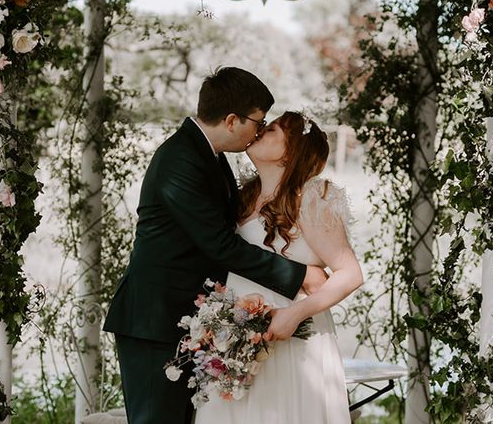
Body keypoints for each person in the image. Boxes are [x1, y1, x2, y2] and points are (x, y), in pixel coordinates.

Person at [103, 68, 328, 424]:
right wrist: (299, 274)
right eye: (259, 121)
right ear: (232, 120)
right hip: (154, 320)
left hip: (188, 321)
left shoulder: (212, 157)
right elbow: (220, 245)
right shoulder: (180, 160)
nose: (259, 129)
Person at [194, 111, 363, 424]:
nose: (259, 131)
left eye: (271, 129)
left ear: (291, 149)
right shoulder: (243, 198)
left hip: (291, 343)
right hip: (237, 346)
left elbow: (350, 274)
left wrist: (293, 315)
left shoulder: (311, 198)